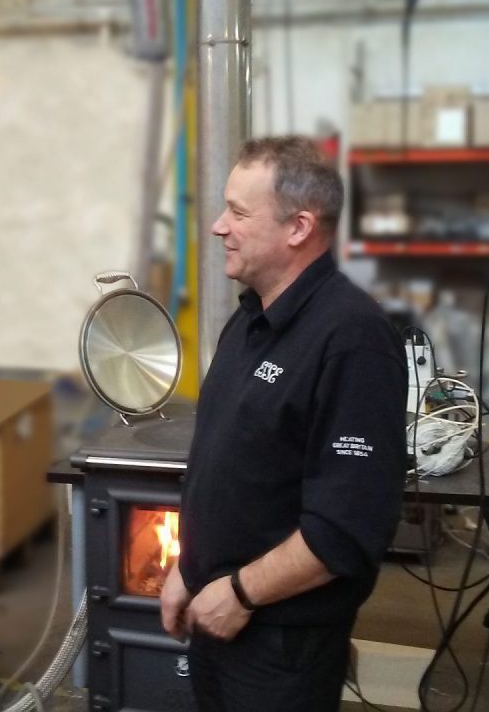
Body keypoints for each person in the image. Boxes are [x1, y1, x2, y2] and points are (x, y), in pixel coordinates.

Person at [159, 136, 407, 711]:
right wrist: (188, 567)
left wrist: (240, 593)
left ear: (298, 227)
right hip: (215, 616)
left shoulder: (352, 340)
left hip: (278, 645)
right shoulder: (249, 322)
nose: (219, 227)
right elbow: (230, 472)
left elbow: (346, 528)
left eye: (238, 213)